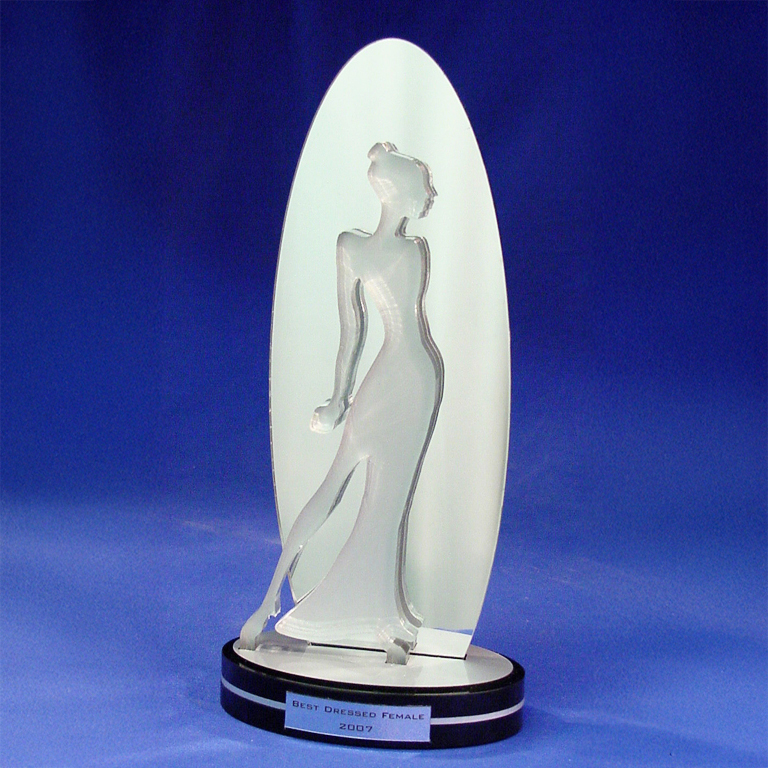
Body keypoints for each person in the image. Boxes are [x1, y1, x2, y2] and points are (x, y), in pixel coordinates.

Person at [240, 142, 443, 664]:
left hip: (400, 380)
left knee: (367, 496)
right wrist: (338, 400)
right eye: (425, 188)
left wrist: (339, 398)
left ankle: (372, 616)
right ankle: (292, 604)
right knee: (371, 498)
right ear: (402, 194)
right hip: (410, 376)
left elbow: (351, 333)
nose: (431, 196)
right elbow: (355, 330)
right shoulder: (409, 252)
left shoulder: (355, 248)